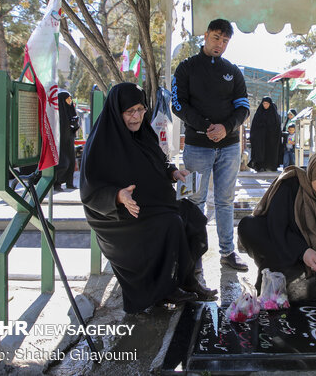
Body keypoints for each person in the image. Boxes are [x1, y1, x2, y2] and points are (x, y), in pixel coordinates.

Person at [80, 82, 218, 314]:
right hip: (119, 216)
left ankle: (186, 280)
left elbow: (159, 162)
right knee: (170, 224)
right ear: (117, 111)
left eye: (141, 110)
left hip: (150, 204)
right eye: (130, 111)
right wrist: (118, 196)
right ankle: (162, 291)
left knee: (192, 216)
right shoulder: (101, 143)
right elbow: (89, 190)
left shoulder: (144, 134)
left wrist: (174, 173)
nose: (136, 117)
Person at [172, 18, 250, 271]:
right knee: (192, 199)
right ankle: (192, 253)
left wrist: (226, 127)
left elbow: (243, 107)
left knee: (225, 201)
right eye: (217, 38)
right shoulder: (186, 68)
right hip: (196, 147)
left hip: (229, 147)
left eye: (225, 40)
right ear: (205, 36)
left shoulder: (233, 71)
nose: (220, 44)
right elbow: (178, 103)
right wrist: (206, 126)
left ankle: (227, 253)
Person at [238, 147, 316, 301]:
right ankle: (272, 276)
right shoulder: (291, 183)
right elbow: (275, 226)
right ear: (313, 171)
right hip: (287, 251)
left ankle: (286, 279)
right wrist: (303, 251)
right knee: (249, 226)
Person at [248, 96, 281, 172]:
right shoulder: (259, 113)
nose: (265, 105)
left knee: (270, 152)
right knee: (260, 152)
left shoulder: (274, 114)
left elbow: (277, 127)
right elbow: (254, 126)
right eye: (264, 103)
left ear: (270, 104)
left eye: (267, 103)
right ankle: (260, 166)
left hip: (271, 138)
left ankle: (270, 166)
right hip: (260, 138)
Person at [54, 91, 79, 191]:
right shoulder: (58, 114)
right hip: (61, 143)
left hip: (69, 140)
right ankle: (57, 183)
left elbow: (75, 128)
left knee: (71, 162)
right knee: (63, 163)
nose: (70, 101)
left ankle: (69, 182)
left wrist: (75, 124)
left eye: (70, 98)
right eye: (67, 99)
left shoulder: (70, 110)